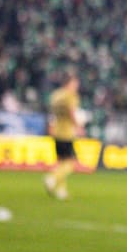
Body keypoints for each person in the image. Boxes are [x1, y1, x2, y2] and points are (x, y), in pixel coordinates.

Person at [44, 71, 82, 201]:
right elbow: (72, 113)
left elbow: (51, 114)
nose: (77, 85)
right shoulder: (70, 96)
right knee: (70, 163)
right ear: (69, 83)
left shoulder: (55, 95)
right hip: (66, 133)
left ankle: (61, 190)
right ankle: (52, 178)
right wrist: (78, 127)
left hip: (56, 131)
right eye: (75, 83)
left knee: (61, 162)